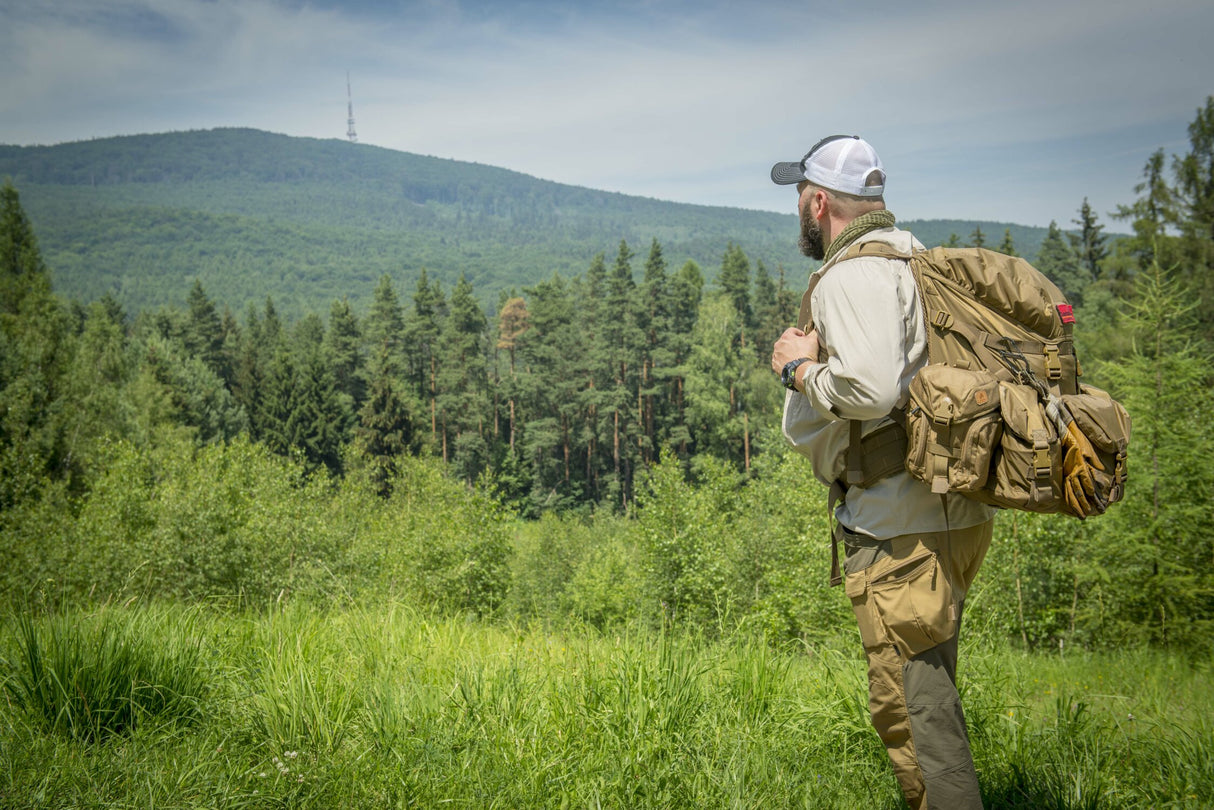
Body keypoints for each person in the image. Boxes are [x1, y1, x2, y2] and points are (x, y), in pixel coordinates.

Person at [768, 135, 997, 810]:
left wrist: (797, 368)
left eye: (800, 198)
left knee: (917, 719)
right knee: (928, 696)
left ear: (818, 203)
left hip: (900, 528)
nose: (800, 211)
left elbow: (868, 390)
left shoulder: (852, 275)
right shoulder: (913, 257)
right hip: (954, 511)